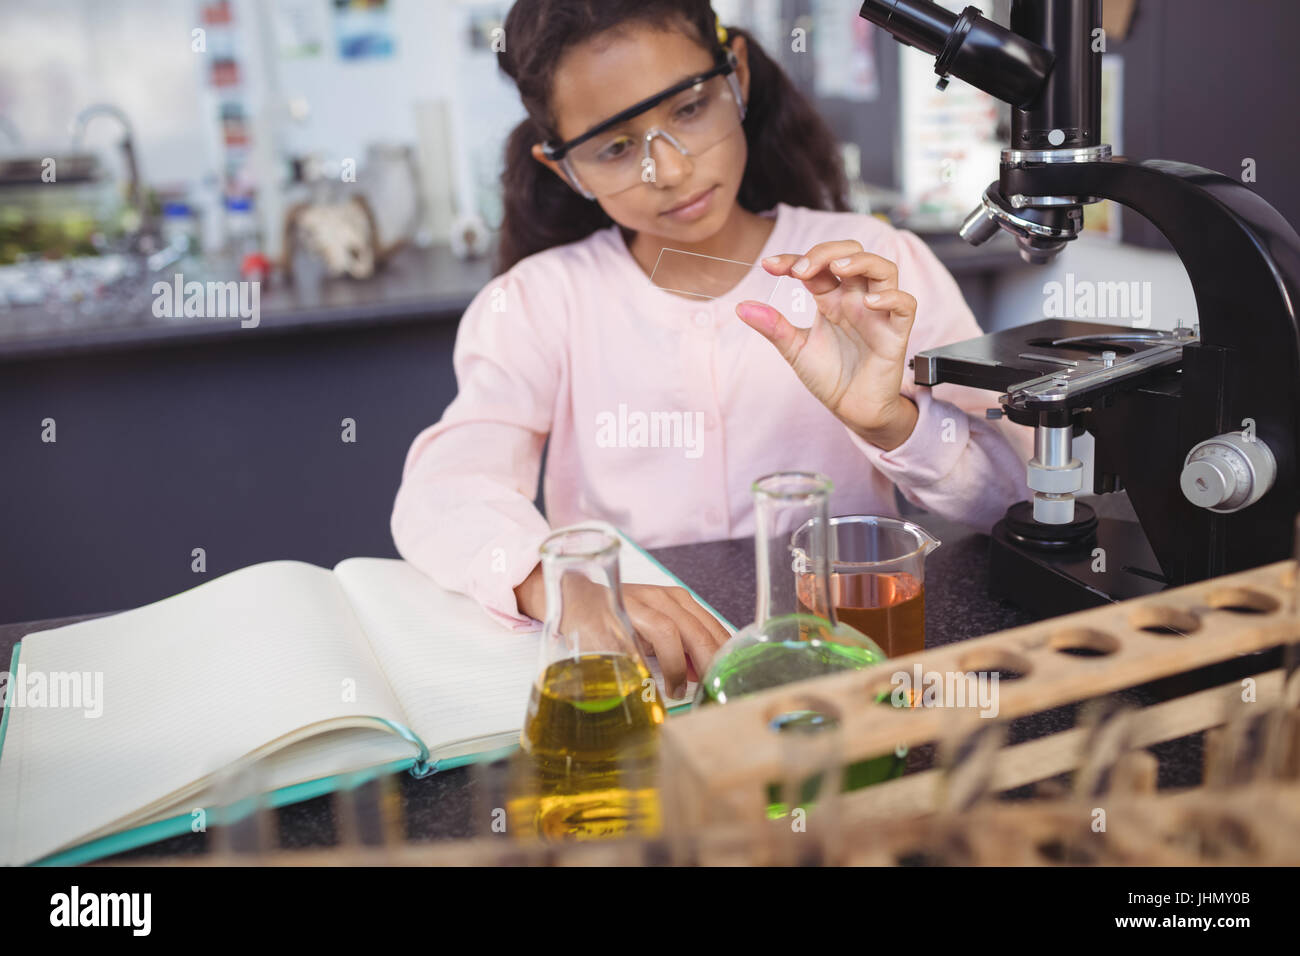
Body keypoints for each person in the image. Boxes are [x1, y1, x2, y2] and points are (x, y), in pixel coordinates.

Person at [392, 0, 1033, 699]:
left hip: (845, 680)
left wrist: (894, 424)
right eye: (613, 147)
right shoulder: (540, 301)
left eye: (691, 109)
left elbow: (1022, 499)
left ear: (738, 79)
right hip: (647, 690)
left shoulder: (876, 263)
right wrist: (561, 584)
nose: (667, 169)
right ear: (563, 166)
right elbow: (444, 492)